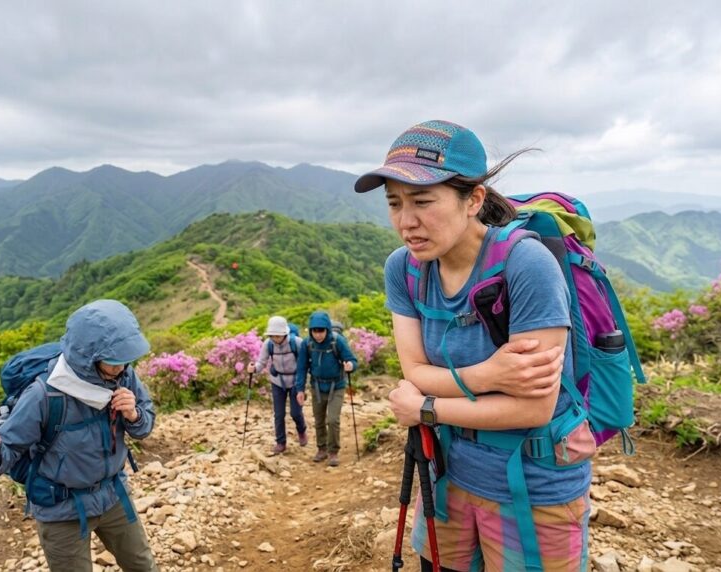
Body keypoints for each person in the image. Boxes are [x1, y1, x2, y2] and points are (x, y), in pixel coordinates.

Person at [355, 120, 588, 571]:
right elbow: (415, 374)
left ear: (473, 200)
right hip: (449, 476)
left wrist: (426, 408)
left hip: (534, 483)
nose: (407, 221)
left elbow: (533, 409)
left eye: (423, 201)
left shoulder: (526, 264)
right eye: (394, 204)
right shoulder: (403, 269)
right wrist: (489, 377)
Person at [0, 300, 159, 572]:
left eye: (125, 361)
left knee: (144, 567)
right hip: (62, 510)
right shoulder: (44, 394)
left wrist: (134, 415)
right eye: (113, 362)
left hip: (113, 494)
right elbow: (7, 449)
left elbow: (144, 426)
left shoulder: (123, 376)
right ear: (88, 358)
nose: (121, 369)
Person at [294, 310, 358, 467]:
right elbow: (301, 368)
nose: (318, 334)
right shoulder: (307, 344)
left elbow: (352, 360)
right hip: (316, 386)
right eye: (314, 331)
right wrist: (300, 389)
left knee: (333, 420)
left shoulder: (337, 341)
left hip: (336, 386)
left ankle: (333, 451)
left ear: (327, 329)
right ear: (310, 330)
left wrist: (350, 366)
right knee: (319, 420)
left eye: (321, 330)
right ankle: (321, 449)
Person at [248, 316, 308, 455]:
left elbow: (305, 362)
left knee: (295, 412)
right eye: (272, 335)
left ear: (284, 333)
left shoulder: (297, 343)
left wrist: (303, 383)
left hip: (295, 381)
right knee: (279, 414)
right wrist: (254, 368)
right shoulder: (268, 344)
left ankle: (302, 430)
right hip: (277, 381)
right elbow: (261, 362)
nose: (275, 338)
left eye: (278, 335)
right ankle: (281, 442)